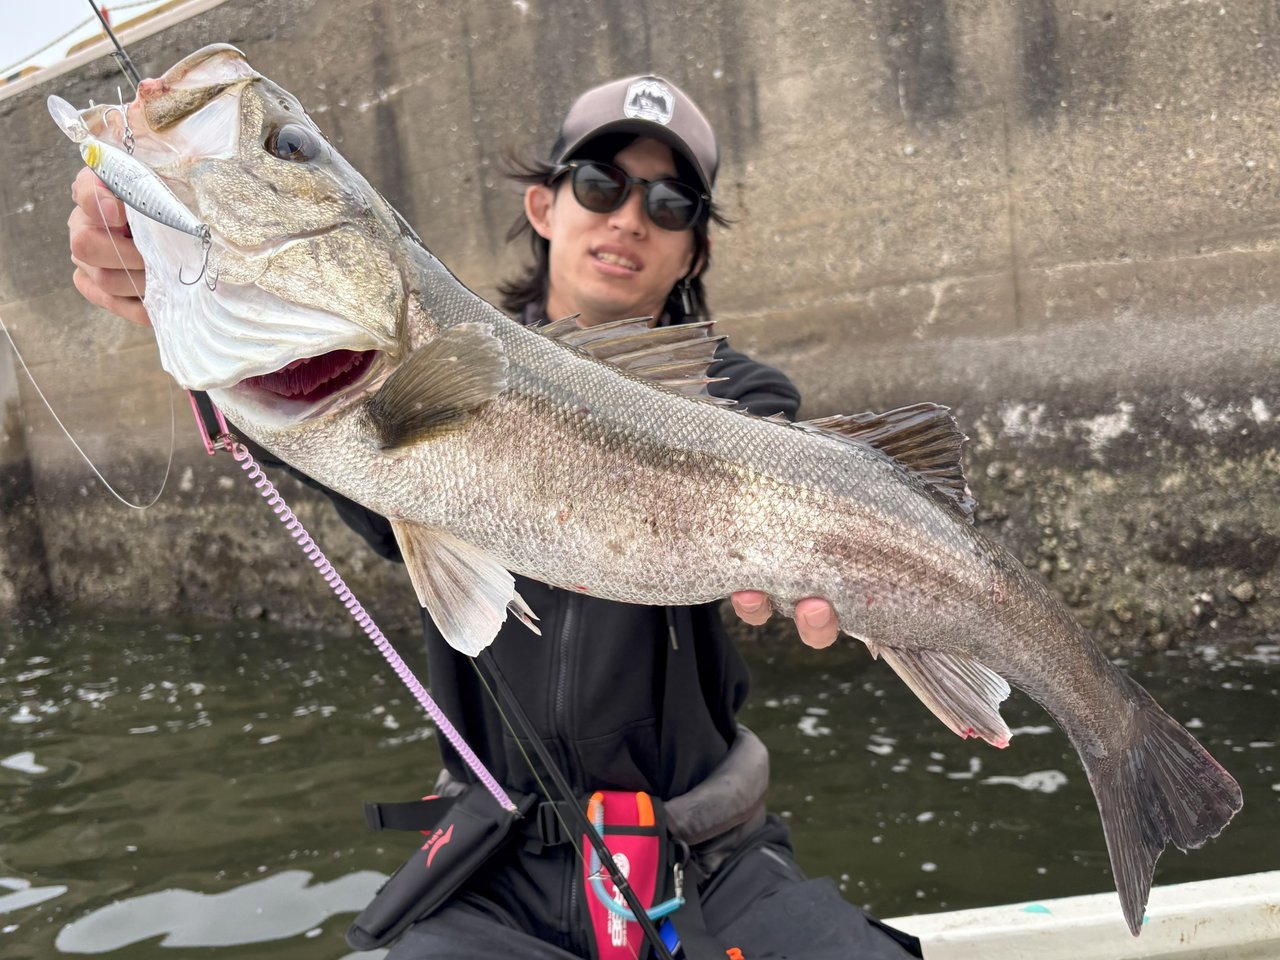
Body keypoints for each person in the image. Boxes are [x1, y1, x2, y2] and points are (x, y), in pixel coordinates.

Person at [67, 74, 922, 959]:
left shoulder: (739, 398)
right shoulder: (426, 353)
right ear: (544, 207)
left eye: (671, 204)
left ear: (692, 254)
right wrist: (180, 284)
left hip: (709, 855)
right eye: (601, 184)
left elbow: (779, 456)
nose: (631, 218)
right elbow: (375, 489)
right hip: (492, 867)